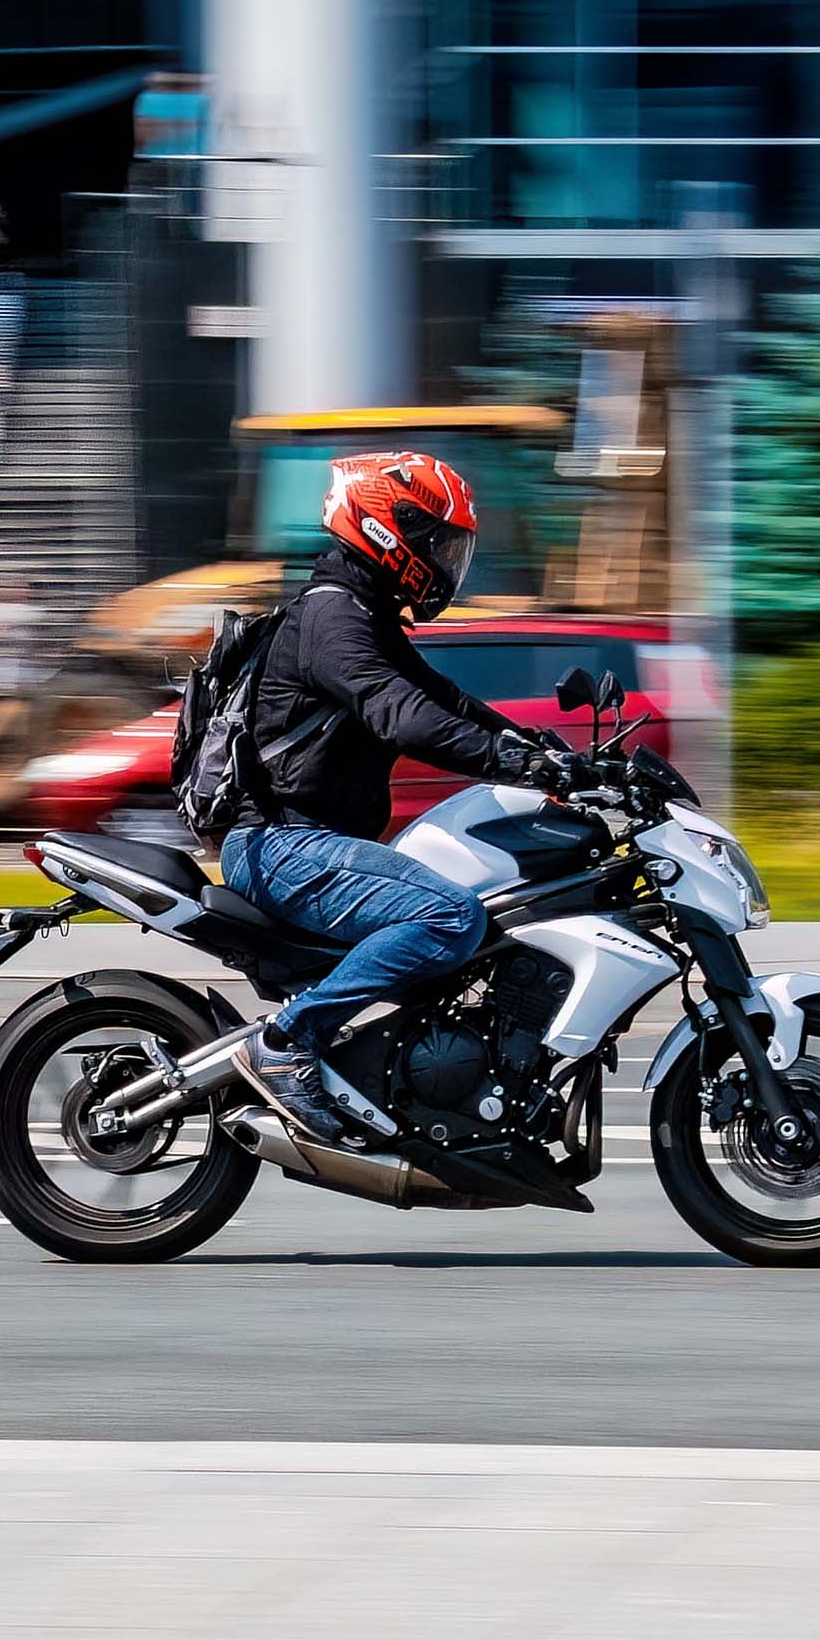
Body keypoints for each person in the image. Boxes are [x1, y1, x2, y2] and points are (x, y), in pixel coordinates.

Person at [222, 449, 574, 1145]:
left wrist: (553, 755)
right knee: (449, 917)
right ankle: (286, 1044)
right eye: (435, 541)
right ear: (385, 527)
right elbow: (400, 716)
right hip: (281, 845)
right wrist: (518, 764)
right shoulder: (331, 618)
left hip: (317, 844)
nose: (444, 559)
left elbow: (447, 701)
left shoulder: (363, 612)